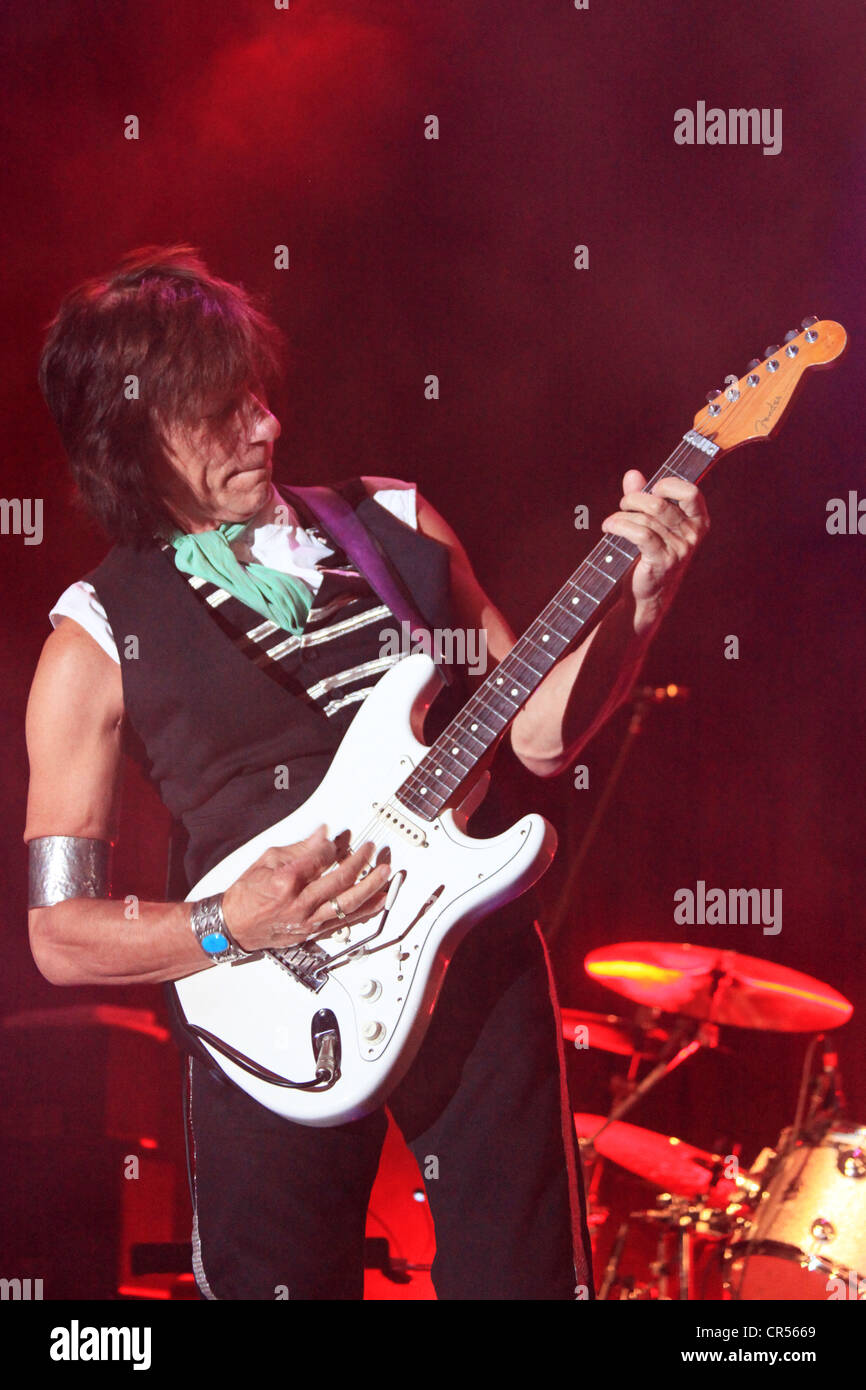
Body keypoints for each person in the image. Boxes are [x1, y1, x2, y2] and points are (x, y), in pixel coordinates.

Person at [25, 245, 709, 1300]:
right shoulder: (94, 637)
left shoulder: (390, 523)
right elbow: (58, 936)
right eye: (219, 409)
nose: (264, 426)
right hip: (266, 1006)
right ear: (134, 431)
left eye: (255, 395)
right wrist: (225, 925)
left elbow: (534, 736)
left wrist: (641, 609)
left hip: (464, 965)